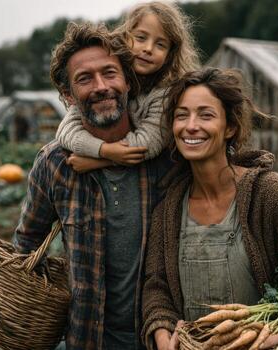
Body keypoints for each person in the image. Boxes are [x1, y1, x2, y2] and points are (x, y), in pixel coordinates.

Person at [141, 68, 278, 350]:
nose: (191, 125)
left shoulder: (269, 194)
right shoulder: (169, 210)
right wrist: (162, 333)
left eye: (205, 115)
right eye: (181, 115)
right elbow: (156, 287)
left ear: (230, 127)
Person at [14, 22, 168, 350]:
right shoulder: (55, 164)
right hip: (89, 339)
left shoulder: (166, 156)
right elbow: (26, 246)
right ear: (67, 95)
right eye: (85, 79)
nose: (101, 86)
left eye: (109, 73)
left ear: (128, 80)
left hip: (165, 338)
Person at [55, 1, 199, 172]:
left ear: (169, 55)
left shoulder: (166, 93)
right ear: (125, 37)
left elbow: (147, 144)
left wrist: (103, 161)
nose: (148, 49)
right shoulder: (108, 86)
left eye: (160, 44)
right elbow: (65, 132)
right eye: (140, 38)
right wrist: (103, 149)